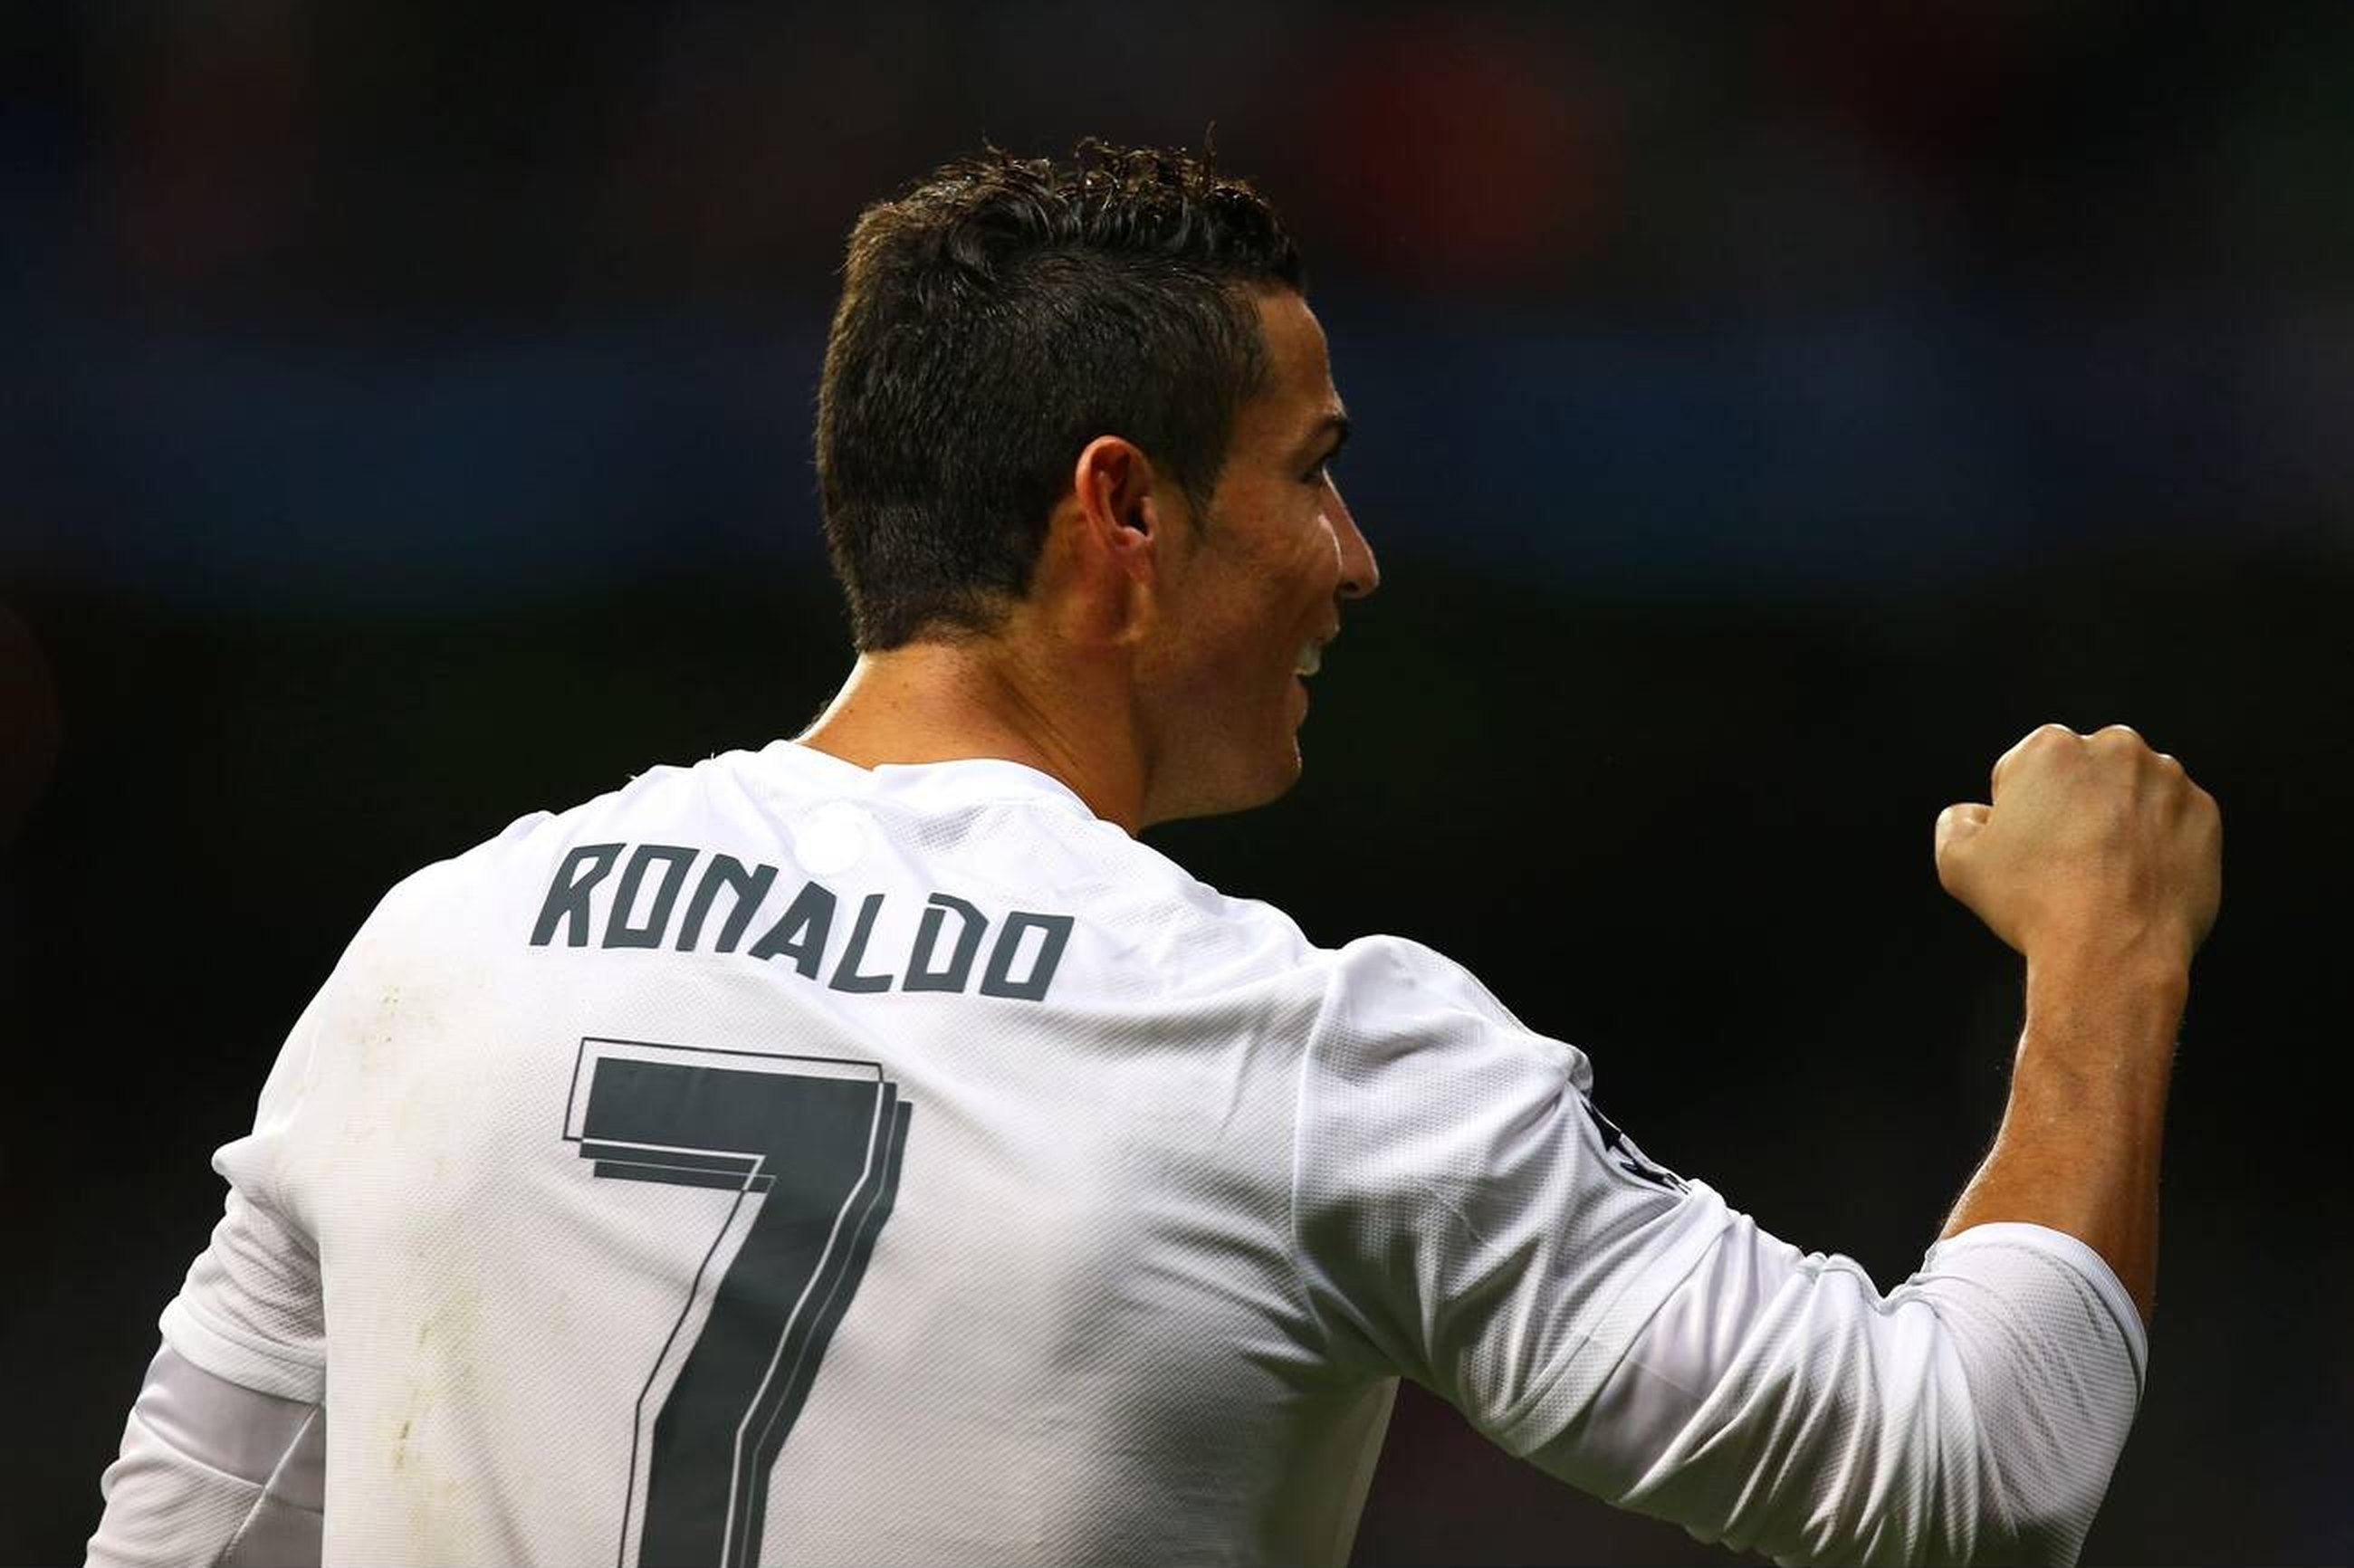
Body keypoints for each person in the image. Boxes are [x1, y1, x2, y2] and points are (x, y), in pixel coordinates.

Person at [86, 142, 2221, 1568]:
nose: (1352, 557)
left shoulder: (439, 953)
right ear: (1120, 509)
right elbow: (1963, 1465)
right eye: (1311, 471)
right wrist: (2105, 955)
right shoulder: (1292, 1052)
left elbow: (181, 1539)